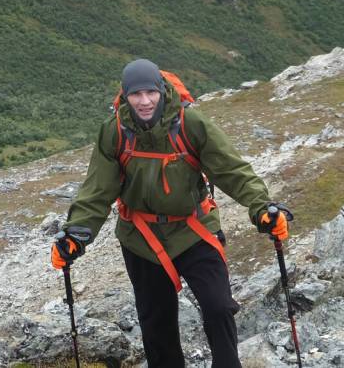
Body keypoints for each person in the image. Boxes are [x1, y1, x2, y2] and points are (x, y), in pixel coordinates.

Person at [50, 58, 291, 368]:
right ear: (125, 96)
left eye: (150, 92)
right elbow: (97, 190)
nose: (145, 101)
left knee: (218, 308)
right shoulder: (115, 132)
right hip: (141, 237)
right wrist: (76, 234)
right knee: (156, 326)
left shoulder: (191, 124)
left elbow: (231, 170)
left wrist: (261, 208)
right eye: (136, 94)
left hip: (195, 230)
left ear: (162, 90)